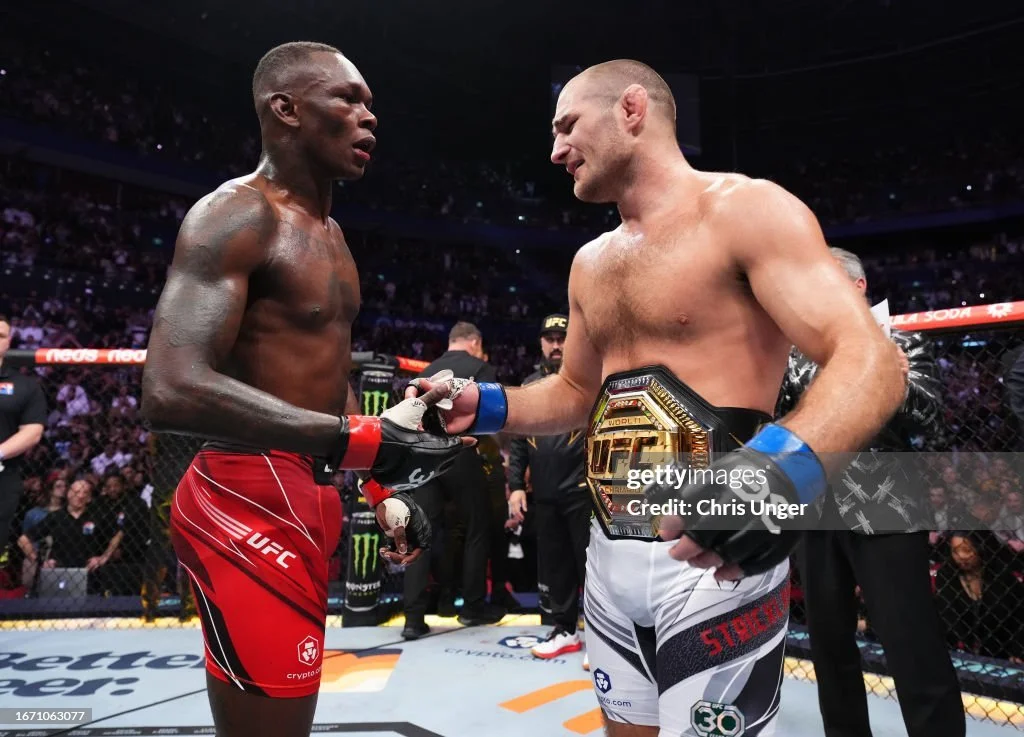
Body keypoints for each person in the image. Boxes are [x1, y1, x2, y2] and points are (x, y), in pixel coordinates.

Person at [407, 59, 905, 735]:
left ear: (632, 109)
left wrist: (778, 472)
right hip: (608, 559)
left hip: (714, 562)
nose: (555, 150)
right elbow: (577, 391)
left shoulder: (746, 211)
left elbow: (872, 360)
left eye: (567, 125)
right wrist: (490, 405)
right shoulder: (590, 262)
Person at [139, 41, 470, 737]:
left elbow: (324, 378)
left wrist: (377, 490)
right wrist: (355, 440)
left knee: (286, 714)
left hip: (307, 491)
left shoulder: (333, 235)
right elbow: (169, 387)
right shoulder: (235, 215)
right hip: (243, 492)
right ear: (286, 109)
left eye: (370, 103)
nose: (369, 117)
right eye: (347, 99)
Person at [778, 247, 965, 737]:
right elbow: (780, 422)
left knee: (912, 643)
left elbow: (928, 422)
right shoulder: (797, 355)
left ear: (858, 286)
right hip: (816, 511)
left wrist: (891, 376)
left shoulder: (902, 343)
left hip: (887, 507)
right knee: (829, 646)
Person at [400, 322, 506, 639]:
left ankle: (413, 618)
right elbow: (491, 418)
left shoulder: (427, 370)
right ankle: (472, 607)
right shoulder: (480, 368)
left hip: (424, 455)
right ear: (475, 342)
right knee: (477, 527)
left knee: (422, 532)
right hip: (460, 450)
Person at [508, 314, 590, 663]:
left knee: (592, 567)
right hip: (544, 492)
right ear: (541, 342)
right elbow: (518, 440)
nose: (556, 345)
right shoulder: (529, 386)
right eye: (550, 338)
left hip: (584, 491)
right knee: (555, 567)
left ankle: (602, 639)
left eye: (562, 338)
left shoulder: (589, 379)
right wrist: (516, 486)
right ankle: (565, 630)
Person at [0, 314, 47, 555]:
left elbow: (33, 431)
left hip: (3, 475)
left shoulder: (25, 386)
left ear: (8, 341)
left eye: (0, 336)